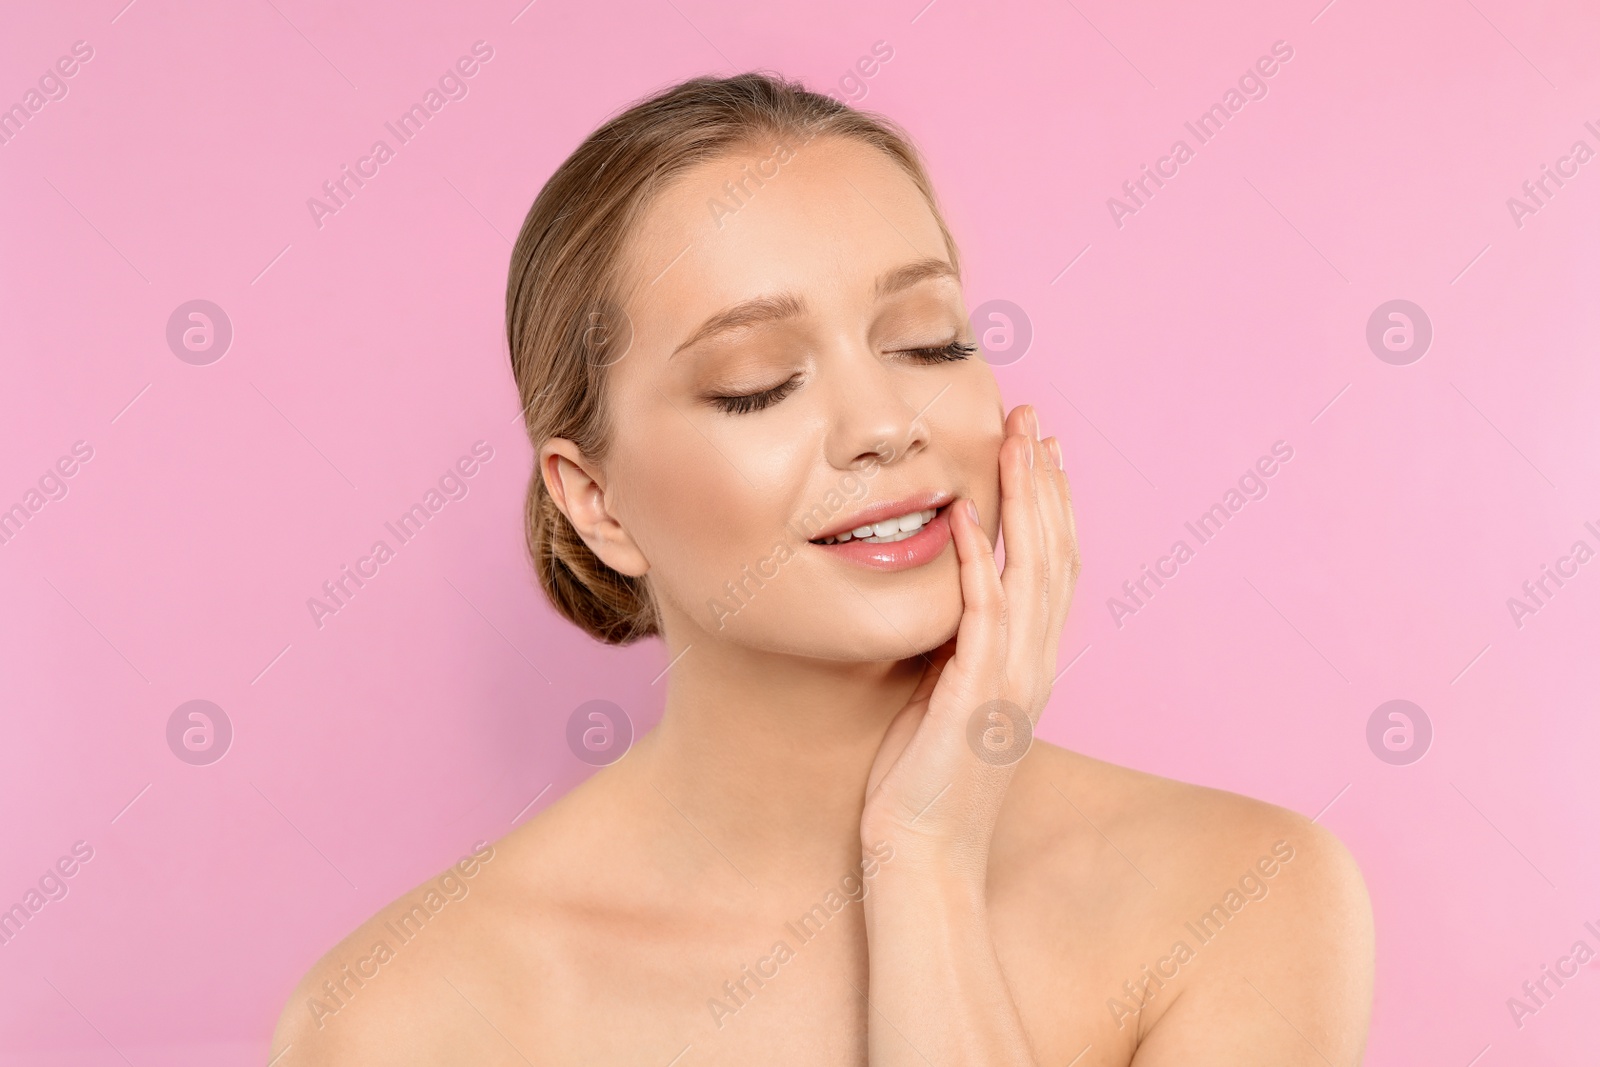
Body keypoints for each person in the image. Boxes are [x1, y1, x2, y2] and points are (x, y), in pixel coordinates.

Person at [272, 71, 1373, 1066]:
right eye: (756, 383)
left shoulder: (1245, 894)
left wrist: (924, 860)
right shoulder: (403, 1016)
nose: (887, 423)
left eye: (929, 340)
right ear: (594, 501)